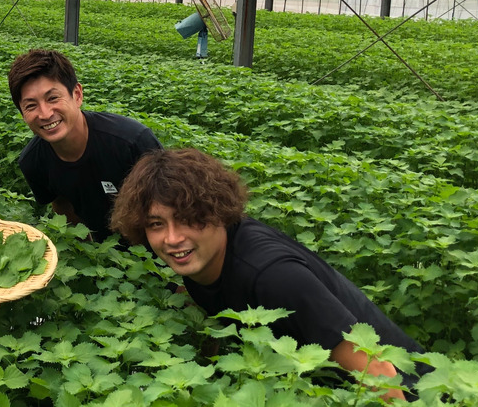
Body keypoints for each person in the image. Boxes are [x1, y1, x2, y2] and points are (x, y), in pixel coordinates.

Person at [109, 148, 426, 401]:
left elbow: (380, 374)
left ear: (217, 209)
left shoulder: (274, 276)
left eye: (188, 218)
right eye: (156, 224)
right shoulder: (201, 258)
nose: (173, 238)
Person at [7, 49, 162, 241]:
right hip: (103, 255)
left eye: (53, 98)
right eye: (31, 105)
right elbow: (62, 206)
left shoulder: (132, 142)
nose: (45, 114)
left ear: (77, 95)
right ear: (22, 114)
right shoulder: (33, 161)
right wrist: (90, 249)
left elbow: (172, 208)